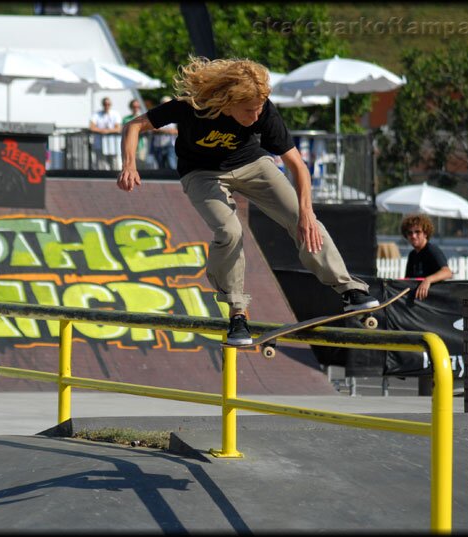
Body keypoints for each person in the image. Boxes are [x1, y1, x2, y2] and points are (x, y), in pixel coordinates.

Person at [117, 56, 379, 345]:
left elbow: (297, 166)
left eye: (258, 111)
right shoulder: (191, 107)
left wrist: (305, 213)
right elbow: (134, 125)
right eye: (248, 111)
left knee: (304, 221)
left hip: (253, 165)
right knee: (230, 231)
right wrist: (129, 164)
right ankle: (237, 313)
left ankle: (349, 289)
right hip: (202, 174)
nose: (255, 118)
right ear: (227, 102)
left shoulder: (264, 110)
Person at [400, 214, 453, 300]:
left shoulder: (431, 250)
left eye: (417, 232)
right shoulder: (412, 255)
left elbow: (447, 272)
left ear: (425, 233)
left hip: (434, 302)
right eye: (410, 233)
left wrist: (427, 280)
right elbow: (408, 280)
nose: (413, 236)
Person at [89, 97, 122, 170]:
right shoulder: (97, 114)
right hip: (99, 144)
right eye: (105, 104)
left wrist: (106, 131)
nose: (107, 106)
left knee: (115, 164)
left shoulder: (115, 114)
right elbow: (92, 127)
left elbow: (118, 128)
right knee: (101, 164)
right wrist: (103, 131)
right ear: (102, 105)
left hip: (113, 143)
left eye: (108, 104)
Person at [151, 95, 178, 169]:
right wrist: (166, 131)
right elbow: (152, 129)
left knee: (172, 165)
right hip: (158, 145)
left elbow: (178, 130)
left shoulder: (175, 115)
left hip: (170, 144)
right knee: (160, 166)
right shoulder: (156, 115)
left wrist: (162, 131)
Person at [122, 99, 149, 164]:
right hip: (129, 146)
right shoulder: (126, 118)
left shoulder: (143, 118)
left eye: (137, 106)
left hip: (140, 145)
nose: (136, 108)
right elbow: (125, 130)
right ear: (131, 107)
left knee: (142, 164)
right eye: (134, 106)